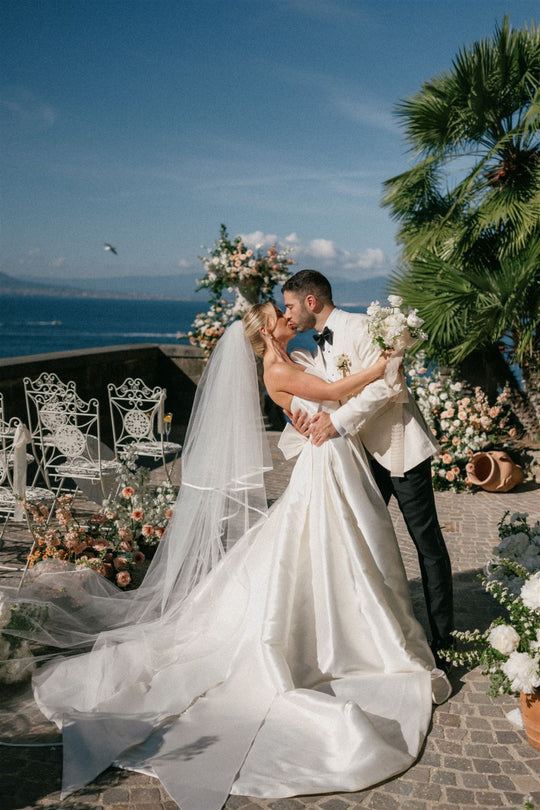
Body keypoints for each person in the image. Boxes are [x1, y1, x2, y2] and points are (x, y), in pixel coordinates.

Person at [10, 306, 450, 810]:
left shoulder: (295, 354)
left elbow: (326, 385)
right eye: (277, 313)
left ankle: (353, 618)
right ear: (265, 331)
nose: (287, 314)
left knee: (333, 545)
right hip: (323, 461)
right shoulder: (278, 368)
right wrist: (388, 362)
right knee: (322, 545)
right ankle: (344, 632)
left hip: (332, 456)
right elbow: (331, 394)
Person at [282, 269, 454, 667]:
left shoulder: (361, 327)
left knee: (426, 547)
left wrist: (338, 424)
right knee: (363, 543)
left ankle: (444, 637)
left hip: (399, 450)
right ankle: (375, 634)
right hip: (359, 459)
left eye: (290, 305)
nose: (288, 314)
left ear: (311, 302)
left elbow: (388, 385)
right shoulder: (317, 345)